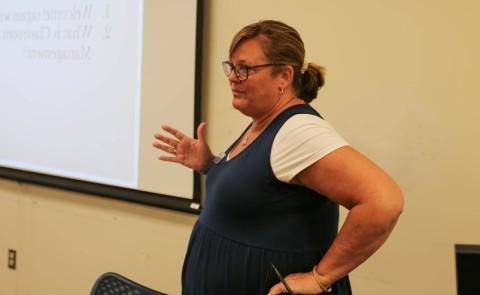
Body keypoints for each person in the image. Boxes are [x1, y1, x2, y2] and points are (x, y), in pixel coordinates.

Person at [153, 20, 403, 295]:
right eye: (232, 67)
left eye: (245, 69)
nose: (232, 77)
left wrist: (320, 278)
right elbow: (259, 193)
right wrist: (209, 165)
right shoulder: (263, 123)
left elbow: (384, 201)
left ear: (284, 76)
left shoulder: (299, 131)